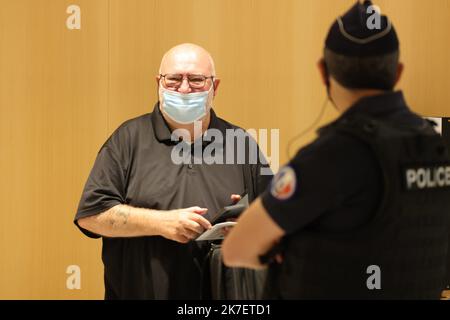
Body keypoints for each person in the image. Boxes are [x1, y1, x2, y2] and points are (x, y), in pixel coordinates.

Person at [222, 0, 450, 299]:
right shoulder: (436, 146)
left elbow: (236, 250)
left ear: (323, 71)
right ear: (397, 72)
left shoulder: (333, 155)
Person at [74, 43, 271, 299]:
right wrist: (161, 222)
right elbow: (91, 215)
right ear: (158, 82)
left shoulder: (241, 142)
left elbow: (275, 222)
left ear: (215, 86)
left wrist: (247, 226)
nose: (185, 88)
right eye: (174, 79)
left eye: (197, 79)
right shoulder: (128, 139)